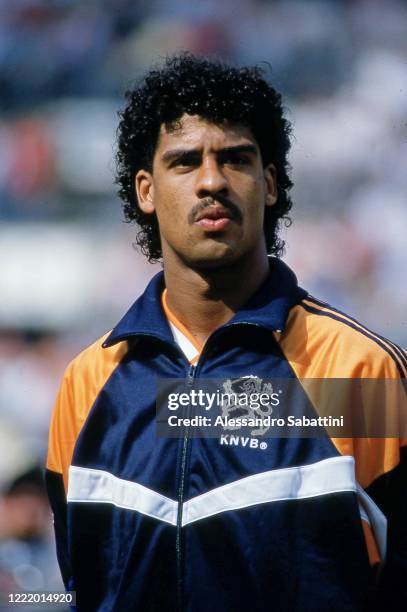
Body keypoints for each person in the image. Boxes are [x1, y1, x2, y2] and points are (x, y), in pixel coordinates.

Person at [46, 54, 407, 611]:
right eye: (185, 162)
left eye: (235, 159)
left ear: (268, 184)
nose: (212, 181)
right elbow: (80, 585)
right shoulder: (88, 383)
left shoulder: (361, 370)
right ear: (146, 191)